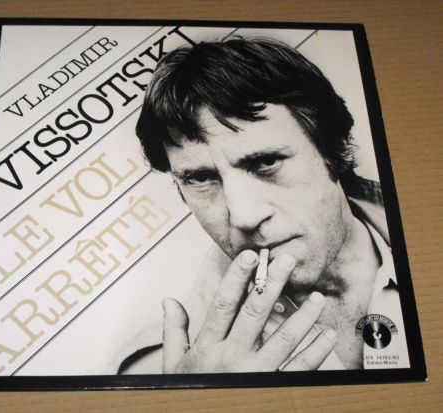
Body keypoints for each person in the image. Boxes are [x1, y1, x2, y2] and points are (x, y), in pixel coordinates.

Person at [112, 36, 409, 374]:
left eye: (267, 162)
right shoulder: (159, 368)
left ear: (333, 150)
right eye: (201, 178)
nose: (243, 216)